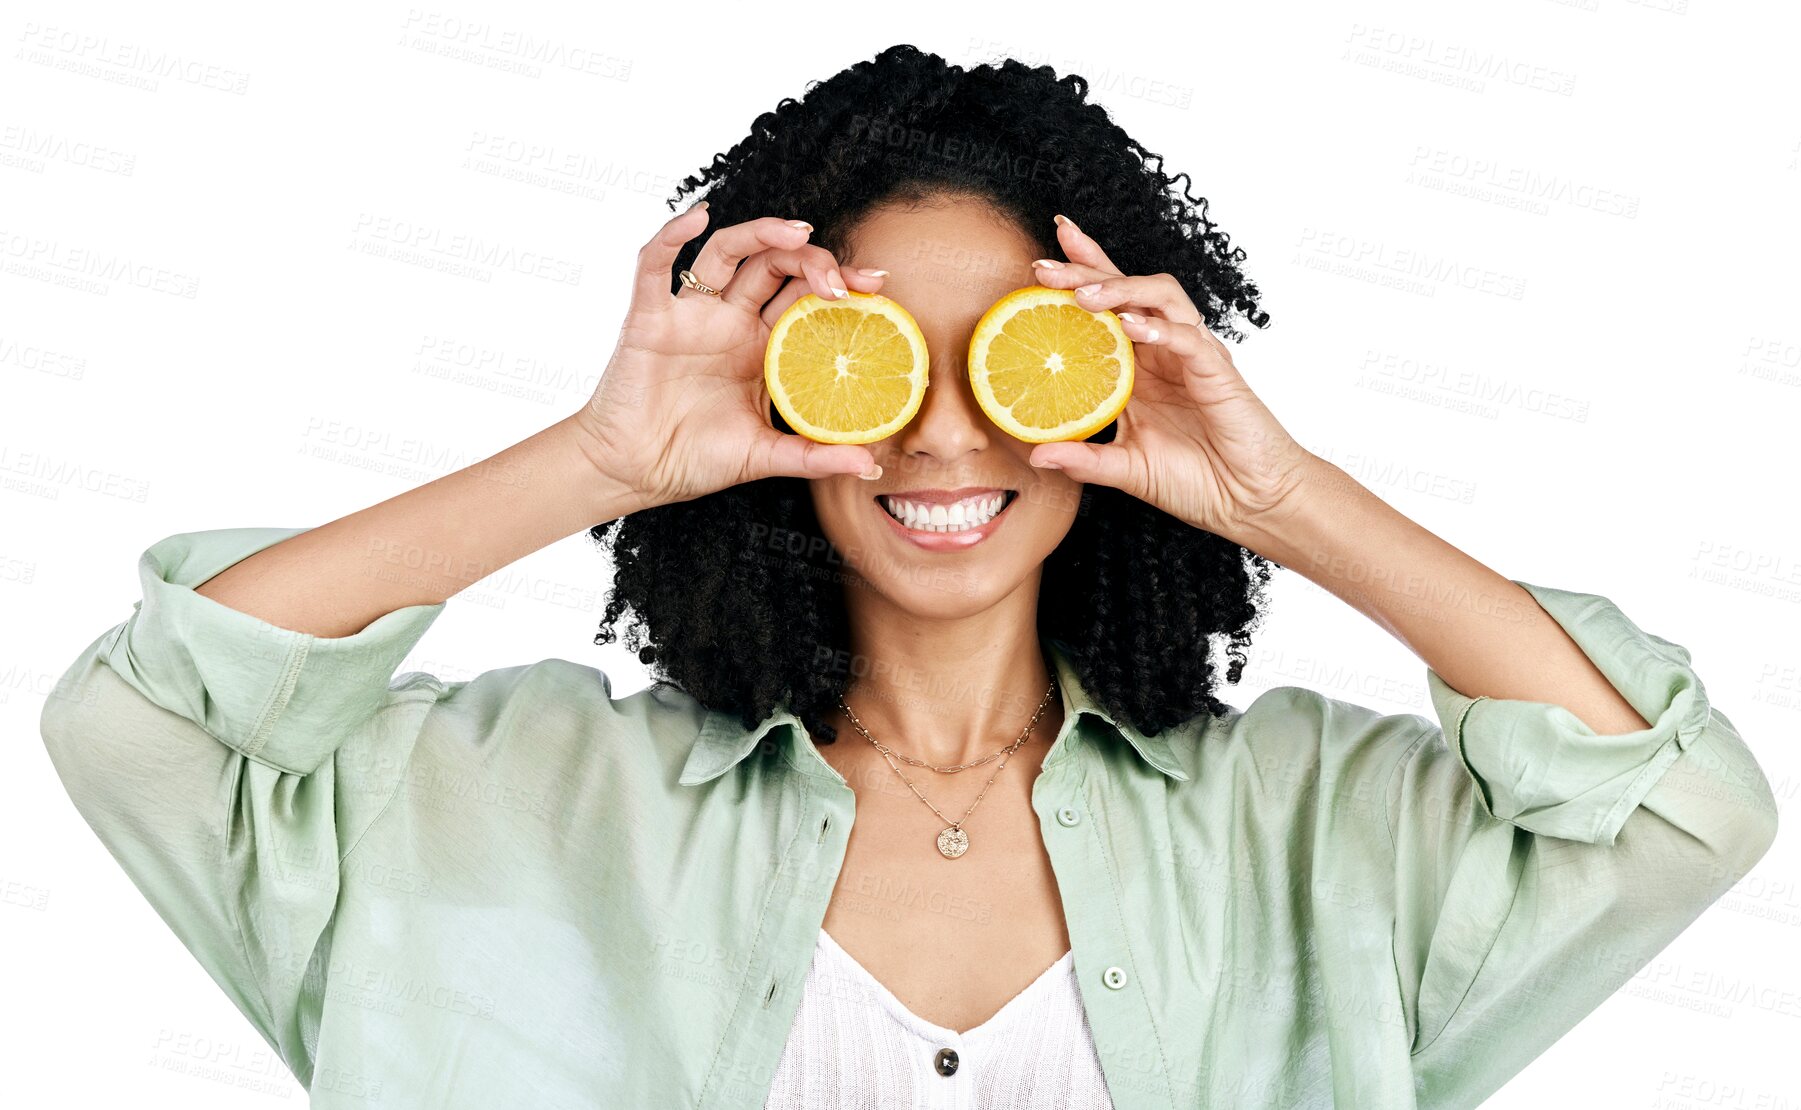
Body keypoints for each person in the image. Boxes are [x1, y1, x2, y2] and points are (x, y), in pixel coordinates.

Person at [41, 44, 1778, 1110]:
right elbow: (142, 723)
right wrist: (599, 458)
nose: (944, 438)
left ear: (1105, 376)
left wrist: (1283, 492)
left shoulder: (1307, 825)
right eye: (873, 363)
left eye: (1010, 360)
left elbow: (1678, 804)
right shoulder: (508, 802)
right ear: (777, 388)